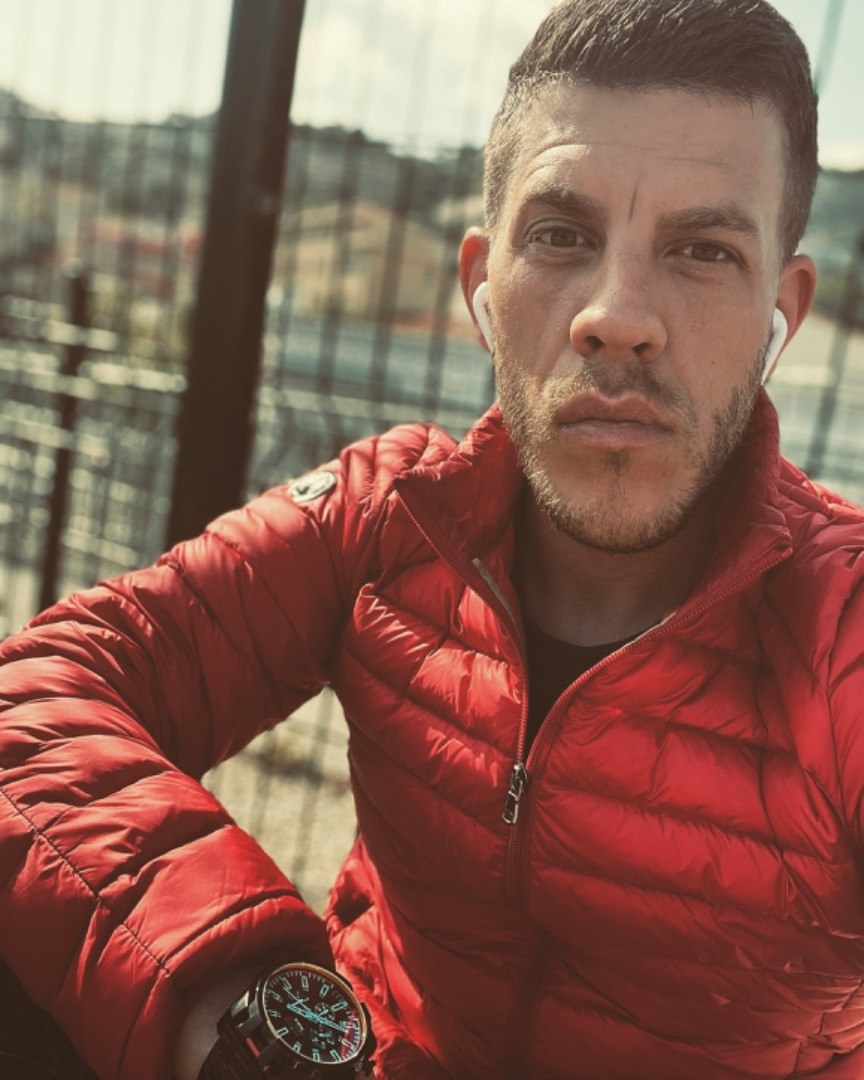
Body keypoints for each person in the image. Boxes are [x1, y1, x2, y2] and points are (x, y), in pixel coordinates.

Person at [2, 0, 862, 1077]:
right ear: (482, 288)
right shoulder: (388, 513)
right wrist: (244, 1018)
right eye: (561, 235)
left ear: (782, 313)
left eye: (702, 250)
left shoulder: (844, 622)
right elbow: (34, 692)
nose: (617, 315)